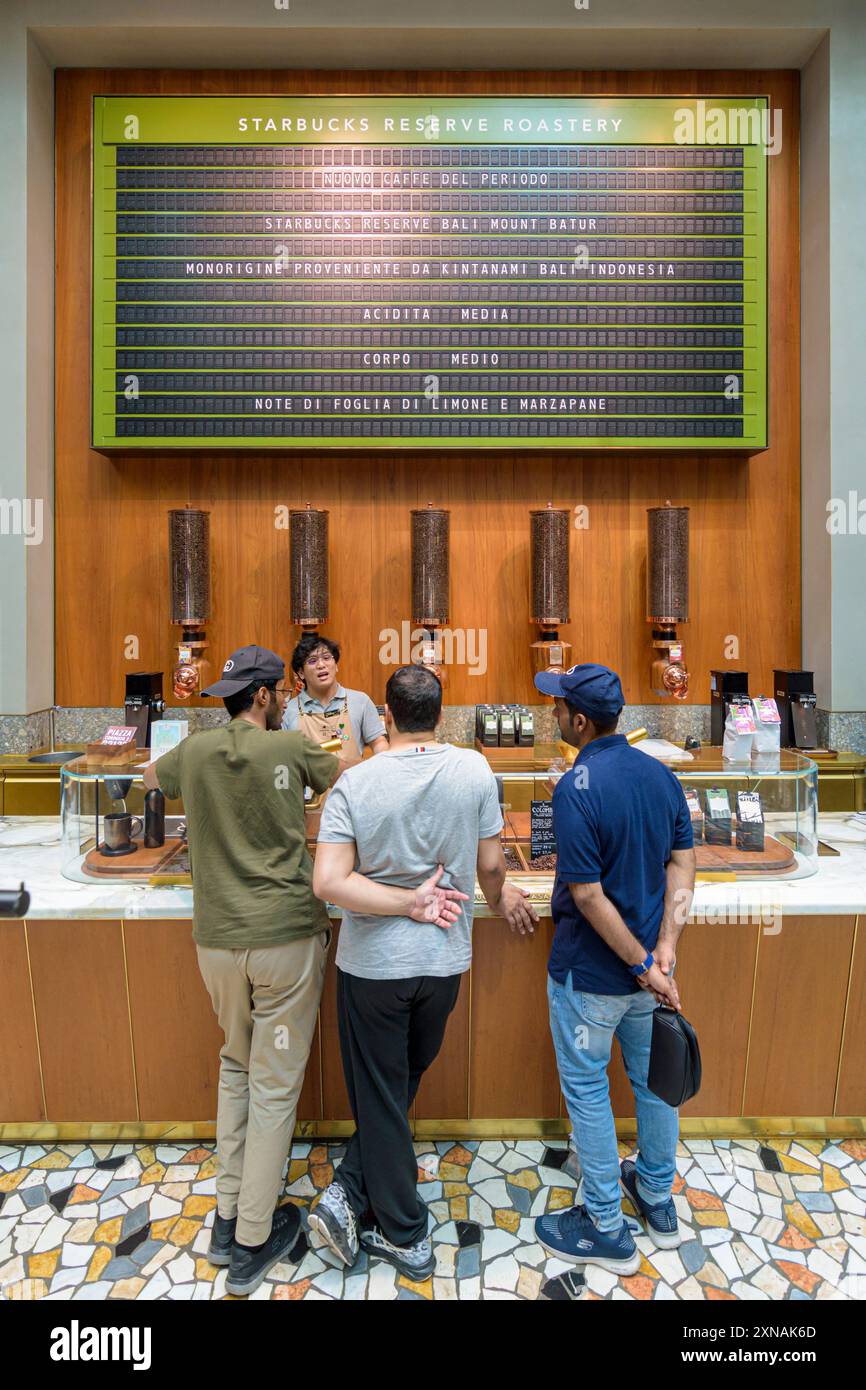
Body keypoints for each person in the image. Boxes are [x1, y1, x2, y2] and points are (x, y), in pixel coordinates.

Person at [308, 665, 538, 1279]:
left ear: (386, 715)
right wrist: (500, 898)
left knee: (383, 1091)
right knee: (396, 1086)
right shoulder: (474, 769)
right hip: (442, 963)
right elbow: (492, 865)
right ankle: (351, 1192)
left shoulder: (355, 782)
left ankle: (405, 1235)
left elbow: (328, 881)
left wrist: (405, 901)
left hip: (373, 968)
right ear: (443, 714)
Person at [144, 644, 340, 1297]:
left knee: (236, 1065)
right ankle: (253, 1241)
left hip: (218, 944)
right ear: (262, 695)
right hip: (283, 940)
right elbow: (343, 774)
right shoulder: (288, 746)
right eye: (278, 691)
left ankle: (227, 1221)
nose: (282, 699)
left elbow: (149, 778)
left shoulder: (196, 750)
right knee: (275, 1087)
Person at [530, 663, 696, 1274]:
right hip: (648, 975)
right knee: (653, 1084)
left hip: (592, 977)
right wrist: (664, 949)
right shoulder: (660, 775)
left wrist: (644, 964)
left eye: (558, 706)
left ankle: (605, 1224)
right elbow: (683, 863)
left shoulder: (576, 788)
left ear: (579, 721)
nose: (552, 713)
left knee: (588, 1090)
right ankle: (655, 1196)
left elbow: (587, 894)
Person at [282, 633, 388, 764]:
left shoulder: (361, 701)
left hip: (352, 777)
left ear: (336, 665)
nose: (321, 665)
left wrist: (382, 761)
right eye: (312, 661)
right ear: (301, 673)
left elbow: (378, 742)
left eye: (326, 658)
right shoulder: (287, 711)